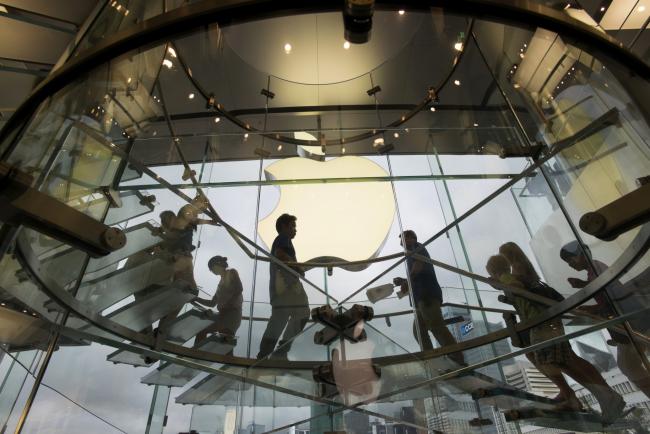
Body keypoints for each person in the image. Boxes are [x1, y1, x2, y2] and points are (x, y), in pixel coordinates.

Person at [487, 252, 625, 421]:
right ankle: (601, 397)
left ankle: (605, 398)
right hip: (543, 321)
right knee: (558, 360)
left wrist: (502, 284)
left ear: (494, 271)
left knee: (557, 360)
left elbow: (517, 286)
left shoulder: (509, 277)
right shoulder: (516, 277)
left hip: (540, 323)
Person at [561, 241, 650, 400]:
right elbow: (606, 293)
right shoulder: (594, 271)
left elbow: (613, 296)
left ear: (582, 254)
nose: (570, 264)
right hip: (634, 322)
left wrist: (590, 308)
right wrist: (584, 287)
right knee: (628, 364)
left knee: (628, 365)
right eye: (568, 262)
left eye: (571, 259)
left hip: (634, 323)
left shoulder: (596, 269)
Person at [394, 230, 464, 365]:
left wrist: (406, 282)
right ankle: (434, 360)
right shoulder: (411, 254)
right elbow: (417, 272)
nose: (401, 243)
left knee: (436, 327)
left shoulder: (416, 247)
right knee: (419, 331)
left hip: (426, 295)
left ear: (412, 238)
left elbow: (418, 267)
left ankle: (458, 360)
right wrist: (404, 281)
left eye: (403, 239)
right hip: (421, 297)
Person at [256, 214, 310, 360]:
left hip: (280, 290)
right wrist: (299, 268)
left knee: (278, 320)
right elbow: (280, 254)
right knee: (303, 314)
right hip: (289, 288)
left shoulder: (281, 240)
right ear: (284, 227)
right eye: (292, 226)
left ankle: (264, 354)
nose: (295, 230)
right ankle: (281, 351)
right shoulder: (282, 238)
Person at [193, 256, 243, 351]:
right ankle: (197, 353)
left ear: (218, 264)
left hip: (231, 314)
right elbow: (212, 303)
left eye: (211, 268)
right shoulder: (220, 284)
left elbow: (239, 289)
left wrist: (227, 304)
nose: (211, 271)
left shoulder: (231, 272)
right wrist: (195, 299)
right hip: (224, 314)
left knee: (205, 332)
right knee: (226, 345)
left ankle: (196, 353)